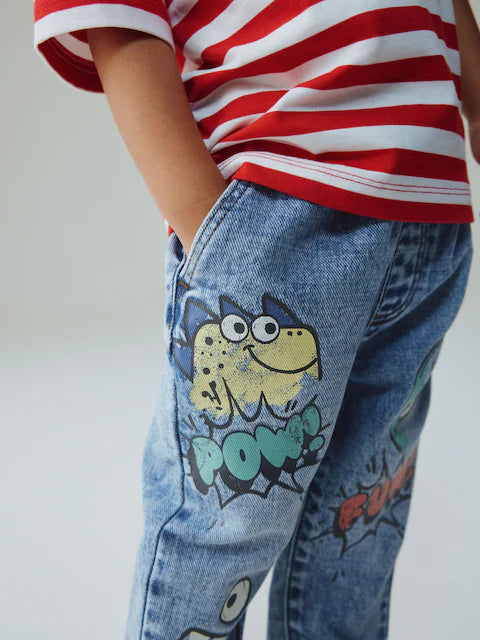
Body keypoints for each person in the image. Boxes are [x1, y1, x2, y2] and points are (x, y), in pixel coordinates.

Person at [33, 1, 479, 638]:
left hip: (428, 207)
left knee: (358, 525)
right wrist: (211, 230)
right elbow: (116, 17)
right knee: (224, 529)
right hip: (281, 202)